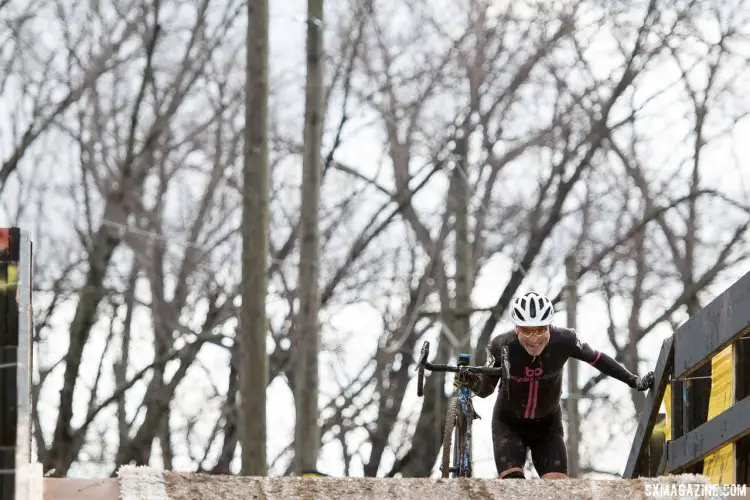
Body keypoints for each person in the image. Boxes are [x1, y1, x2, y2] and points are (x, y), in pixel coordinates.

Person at [458, 291, 654, 480]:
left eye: (541, 330)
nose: (534, 339)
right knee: (513, 488)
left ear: (550, 327)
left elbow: (598, 359)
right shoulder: (501, 345)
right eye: (526, 331)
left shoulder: (565, 340)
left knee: (556, 492)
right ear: (516, 328)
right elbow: (486, 389)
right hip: (509, 425)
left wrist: (634, 380)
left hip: (547, 426)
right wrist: (472, 381)